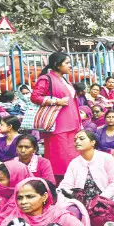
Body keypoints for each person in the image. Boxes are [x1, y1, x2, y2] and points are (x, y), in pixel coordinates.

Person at [30, 53, 81, 183]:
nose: (70, 66)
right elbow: (35, 97)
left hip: (72, 125)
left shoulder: (64, 79)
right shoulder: (46, 79)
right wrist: (56, 101)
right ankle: (57, 186)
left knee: (73, 158)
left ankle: (72, 185)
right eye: (67, 63)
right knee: (60, 160)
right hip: (57, 126)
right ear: (57, 65)